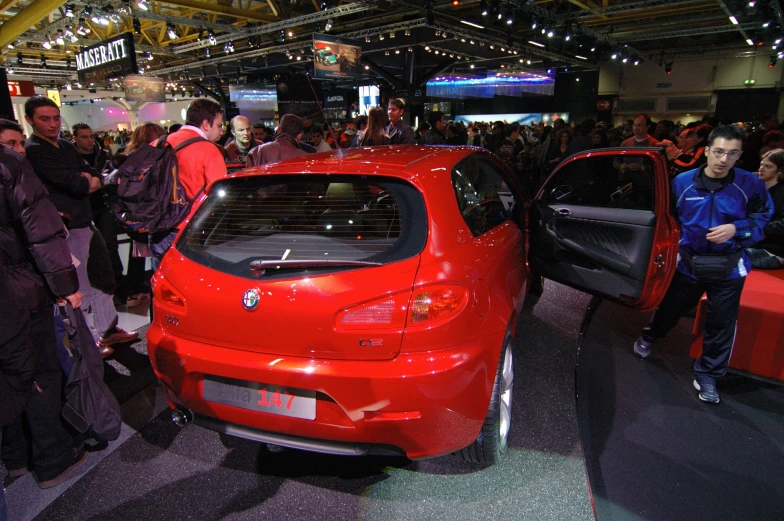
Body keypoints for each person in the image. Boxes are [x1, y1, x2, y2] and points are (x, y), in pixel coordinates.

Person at [633, 125, 774, 404]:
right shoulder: (682, 182)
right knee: (670, 308)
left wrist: (738, 229)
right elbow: (666, 219)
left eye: (732, 154)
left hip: (730, 266)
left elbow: (763, 218)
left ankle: (708, 375)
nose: (723, 159)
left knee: (721, 323)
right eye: (719, 152)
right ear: (707, 151)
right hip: (688, 262)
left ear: (739, 156)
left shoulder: (750, 185)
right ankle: (651, 335)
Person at [0, 145, 89, 489]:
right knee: (39, 373)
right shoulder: (9, 165)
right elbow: (42, 233)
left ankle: (16, 457)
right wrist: (66, 286)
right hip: (18, 293)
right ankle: (52, 460)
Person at [23, 97, 136, 356]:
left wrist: (87, 179)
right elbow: (78, 183)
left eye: (55, 118)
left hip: (85, 221)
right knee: (80, 285)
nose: (52, 124)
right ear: (30, 120)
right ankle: (89, 339)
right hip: (66, 227)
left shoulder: (64, 145)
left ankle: (108, 329)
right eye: (44, 119)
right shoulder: (35, 150)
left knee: (102, 276)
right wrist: (86, 180)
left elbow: (91, 174)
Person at [150, 99, 228, 269]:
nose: (221, 131)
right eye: (219, 125)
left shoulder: (158, 143)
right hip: (189, 233)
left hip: (157, 229)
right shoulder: (208, 150)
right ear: (206, 124)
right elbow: (220, 198)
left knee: (162, 286)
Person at [102, 123, 167, 307]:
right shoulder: (156, 161)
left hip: (131, 218)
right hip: (153, 217)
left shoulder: (124, 160)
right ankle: (156, 294)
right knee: (159, 256)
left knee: (137, 253)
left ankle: (134, 291)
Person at [71, 123, 124, 301]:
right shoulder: (70, 156)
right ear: (75, 138)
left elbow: (104, 180)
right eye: (84, 137)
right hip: (80, 209)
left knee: (110, 247)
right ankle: (93, 293)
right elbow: (79, 184)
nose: (89, 140)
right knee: (86, 252)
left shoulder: (103, 155)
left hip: (103, 206)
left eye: (90, 136)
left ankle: (117, 289)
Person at [745, 149, 784, 268]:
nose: (761, 169)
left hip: (773, 251)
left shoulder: (782, 193)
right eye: (761, 164)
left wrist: (760, 228)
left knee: (725, 255)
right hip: (753, 244)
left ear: (779, 171)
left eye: (768, 166)